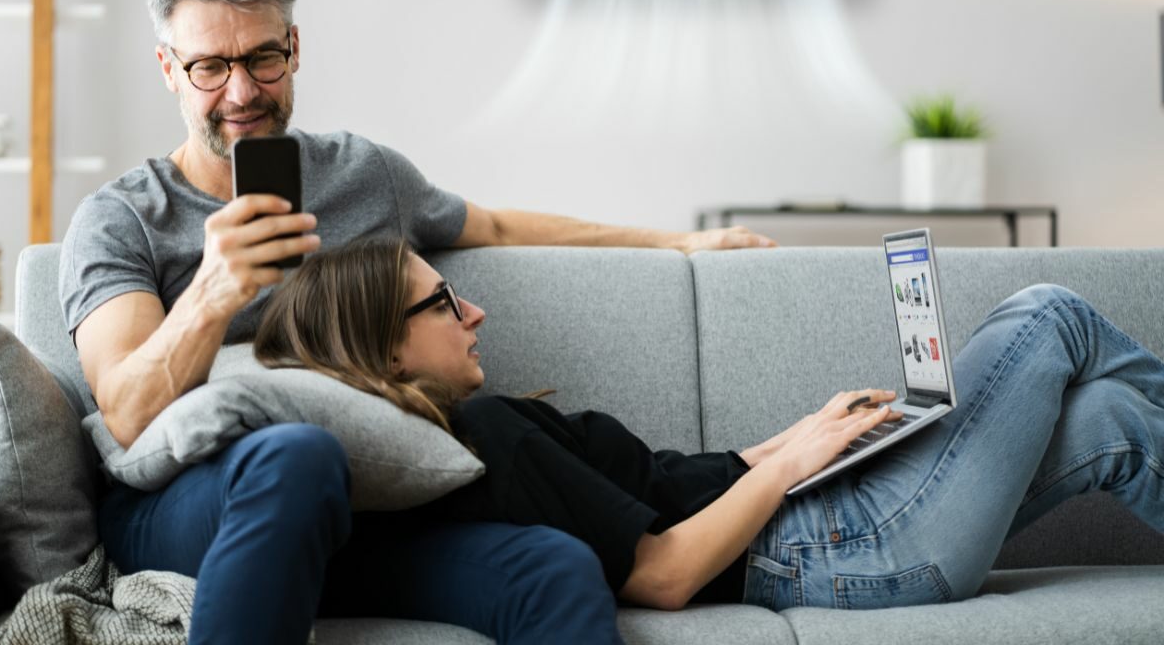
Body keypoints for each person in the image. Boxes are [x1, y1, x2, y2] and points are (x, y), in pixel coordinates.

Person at [58, 0, 775, 645]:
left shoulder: (363, 175)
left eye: (262, 59)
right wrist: (213, 294)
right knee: (297, 456)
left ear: (295, 48)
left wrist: (679, 243)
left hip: (370, 515)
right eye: (210, 67)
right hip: (194, 509)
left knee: (551, 565)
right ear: (169, 69)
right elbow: (125, 411)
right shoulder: (122, 220)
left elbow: (492, 223)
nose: (241, 92)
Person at [255, 235, 1164, 611]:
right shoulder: (485, 436)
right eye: (444, 302)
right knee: (1047, 310)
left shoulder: (481, 427)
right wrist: (791, 466)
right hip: (838, 550)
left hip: (831, 519)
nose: (475, 312)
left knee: (1111, 419)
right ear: (386, 348)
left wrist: (795, 437)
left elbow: (668, 484)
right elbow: (662, 573)